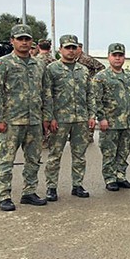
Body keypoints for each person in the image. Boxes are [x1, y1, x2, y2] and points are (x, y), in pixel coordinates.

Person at [0, 24, 51, 211]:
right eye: (20, 38)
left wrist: (46, 117)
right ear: (12, 41)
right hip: (11, 121)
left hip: (34, 121)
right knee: (5, 160)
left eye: (27, 39)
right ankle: (3, 195)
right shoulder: (4, 63)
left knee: (33, 159)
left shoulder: (39, 64)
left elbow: (46, 92)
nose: (24, 42)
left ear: (32, 42)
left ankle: (29, 192)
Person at [43, 34, 93, 201]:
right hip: (60, 119)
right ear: (60, 49)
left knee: (79, 155)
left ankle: (77, 185)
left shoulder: (83, 70)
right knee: (55, 154)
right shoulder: (52, 69)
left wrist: (91, 115)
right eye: (67, 48)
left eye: (74, 47)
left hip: (80, 119)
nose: (71, 51)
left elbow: (89, 94)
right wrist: (50, 117)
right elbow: (47, 95)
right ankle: (51, 187)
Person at [93, 43, 130, 191]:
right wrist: (101, 118)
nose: (118, 58)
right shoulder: (101, 77)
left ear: (124, 57)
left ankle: (121, 176)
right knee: (109, 152)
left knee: (124, 151)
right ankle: (110, 178)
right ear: (109, 57)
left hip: (126, 121)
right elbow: (96, 99)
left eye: (120, 55)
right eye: (115, 55)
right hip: (110, 122)